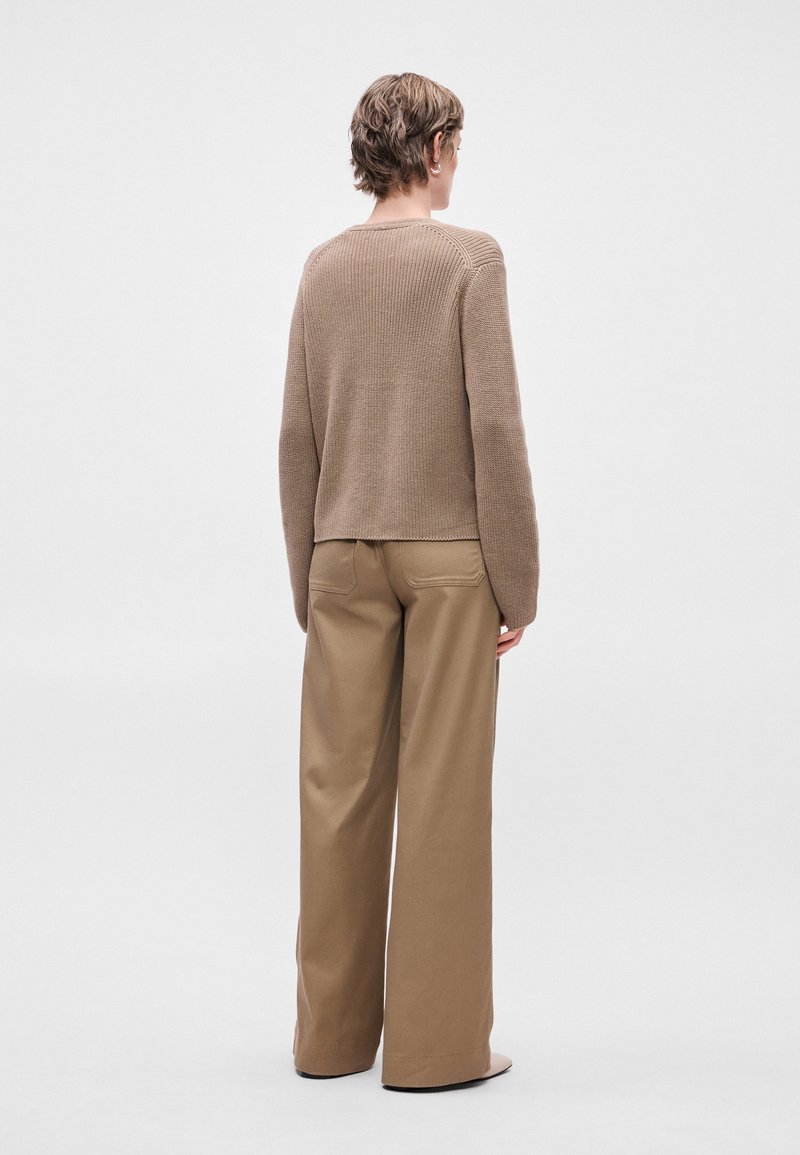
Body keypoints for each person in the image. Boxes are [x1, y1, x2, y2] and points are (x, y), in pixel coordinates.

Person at [278, 72, 540, 1092]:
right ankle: (435, 1052)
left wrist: (306, 579)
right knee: (440, 796)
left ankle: (330, 1042)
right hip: (447, 558)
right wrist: (517, 581)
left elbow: (297, 435)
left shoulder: (321, 268)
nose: (458, 163)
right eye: (456, 145)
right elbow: (494, 426)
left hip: (339, 553)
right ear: (432, 149)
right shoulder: (470, 258)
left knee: (336, 794)